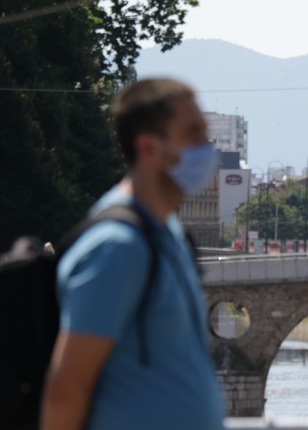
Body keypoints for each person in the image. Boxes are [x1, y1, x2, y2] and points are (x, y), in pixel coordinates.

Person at [41, 79, 225, 430]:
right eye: (193, 132)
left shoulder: (166, 233)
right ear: (150, 147)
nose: (207, 147)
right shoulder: (118, 247)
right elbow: (67, 388)